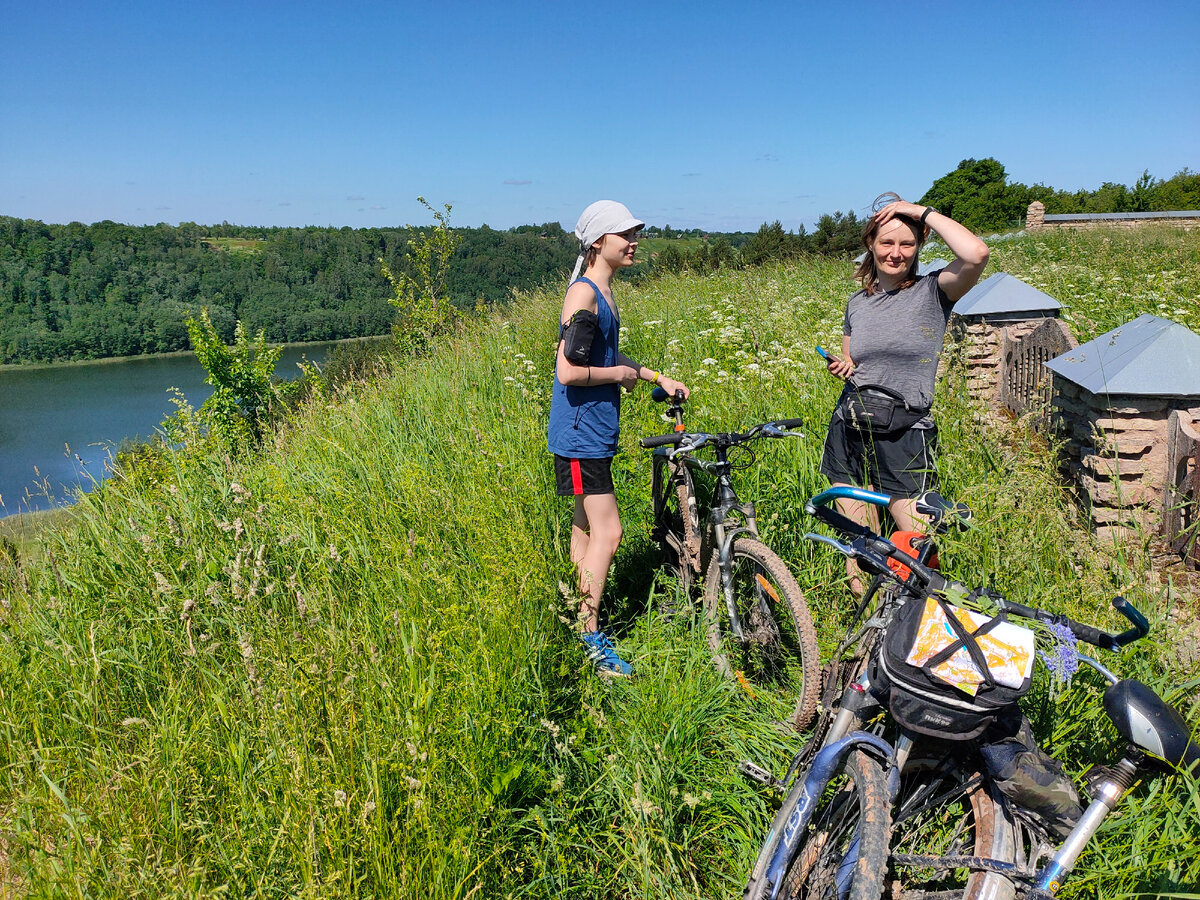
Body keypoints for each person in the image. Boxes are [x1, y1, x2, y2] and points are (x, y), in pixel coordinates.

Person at [819, 195, 989, 595]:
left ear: (918, 247)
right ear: (871, 244)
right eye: (886, 242)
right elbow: (853, 359)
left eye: (907, 243)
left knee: (917, 551)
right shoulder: (857, 303)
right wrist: (843, 365)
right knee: (860, 543)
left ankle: (919, 619)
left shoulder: (934, 291)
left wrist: (921, 213)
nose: (895, 253)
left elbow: (977, 253)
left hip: (905, 434)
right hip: (850, 426)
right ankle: (866, 620)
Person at [548, 200, 689, 676]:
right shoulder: (584, 295)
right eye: (624, 234)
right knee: (609, 533)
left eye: (635, 233)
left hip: (591, 430)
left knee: (584, 529)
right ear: (597, 242)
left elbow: (604, 353)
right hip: (580, 434)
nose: (634, 242)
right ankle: (590, 641)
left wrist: (654, 376)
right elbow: (568, 371)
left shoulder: (601, 292)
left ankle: (577, 617)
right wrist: (620, 375)